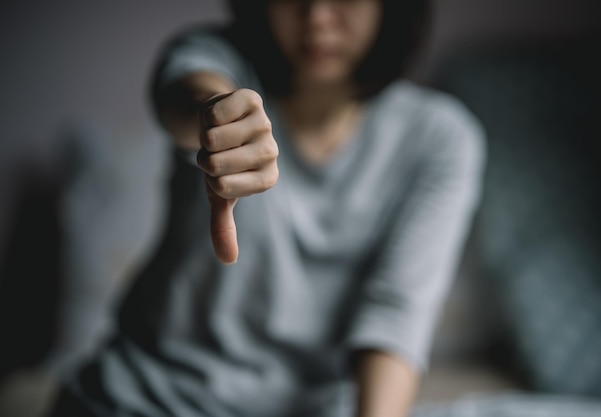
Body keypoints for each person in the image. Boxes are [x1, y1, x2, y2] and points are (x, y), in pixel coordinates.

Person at [47, 0, 486, 416]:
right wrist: (218, 118)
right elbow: (188, 93)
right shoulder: (216, 57)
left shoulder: (440, 139)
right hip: (142, 400)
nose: (316, 16)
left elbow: (396, 315)